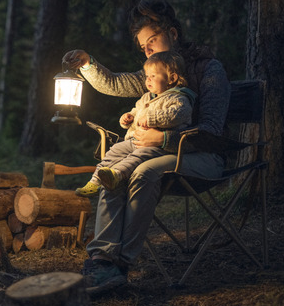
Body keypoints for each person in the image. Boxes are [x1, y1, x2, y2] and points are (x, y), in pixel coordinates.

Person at [62, 0, 231, 294]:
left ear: (173, 34)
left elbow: (212, 132)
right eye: (144, 48)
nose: (149, 51)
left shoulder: (208, 69)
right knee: (115, 169)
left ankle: (121, 265)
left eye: (152, 41)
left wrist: (164, 139)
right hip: (159, 153)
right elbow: (115, 83)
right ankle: (102, 259)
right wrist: (88, 64)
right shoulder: (155, 74)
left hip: (205, 158)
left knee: (142, 171)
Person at [75, 51, 197, 197]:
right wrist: (129, 118)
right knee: (114, 150)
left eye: (153, 76)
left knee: (138, 156)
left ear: (172, 78)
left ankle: (116, 175)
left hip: (159, 146)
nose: (148, 80)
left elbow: (177, 114)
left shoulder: (179, 98)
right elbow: (136, 111)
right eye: (147, 76)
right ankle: (95, 182)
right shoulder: (146, 97)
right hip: (136, 140)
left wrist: (151, 118)